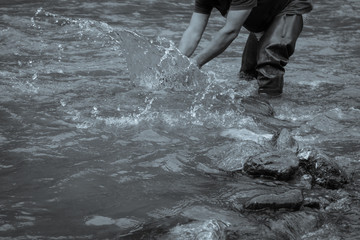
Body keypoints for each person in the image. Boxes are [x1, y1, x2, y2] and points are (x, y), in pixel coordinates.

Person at [179, 0, 313, 96]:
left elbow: (230, 31)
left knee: (268, 63)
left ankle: (272, 115)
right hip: (263, 21)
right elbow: (193, 31)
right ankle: (252, 107)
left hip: (290, 7)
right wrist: (177, 62)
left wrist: (195, 64)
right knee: (247, 75)